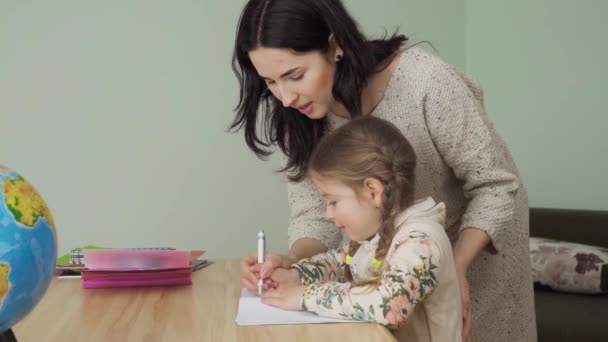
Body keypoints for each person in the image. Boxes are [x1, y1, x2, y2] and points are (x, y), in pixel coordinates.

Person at [231, 0, 536, 341]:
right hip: (392, 277)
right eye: (270, 82)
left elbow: (496, 185)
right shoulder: (299, 116)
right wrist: (293, 263)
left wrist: (456, 267)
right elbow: (314, 217)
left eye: (295, 75)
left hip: (473, 260)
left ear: (334, 47)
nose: (285, 97)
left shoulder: (427, 83)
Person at [261, 116, 463, 341]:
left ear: (372, 191)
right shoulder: (376, 237)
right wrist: (296, 275)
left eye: (333, 201)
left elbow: (391, 306)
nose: (328, 214)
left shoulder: (422, 241)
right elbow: (338, 263)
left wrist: (306, 296)